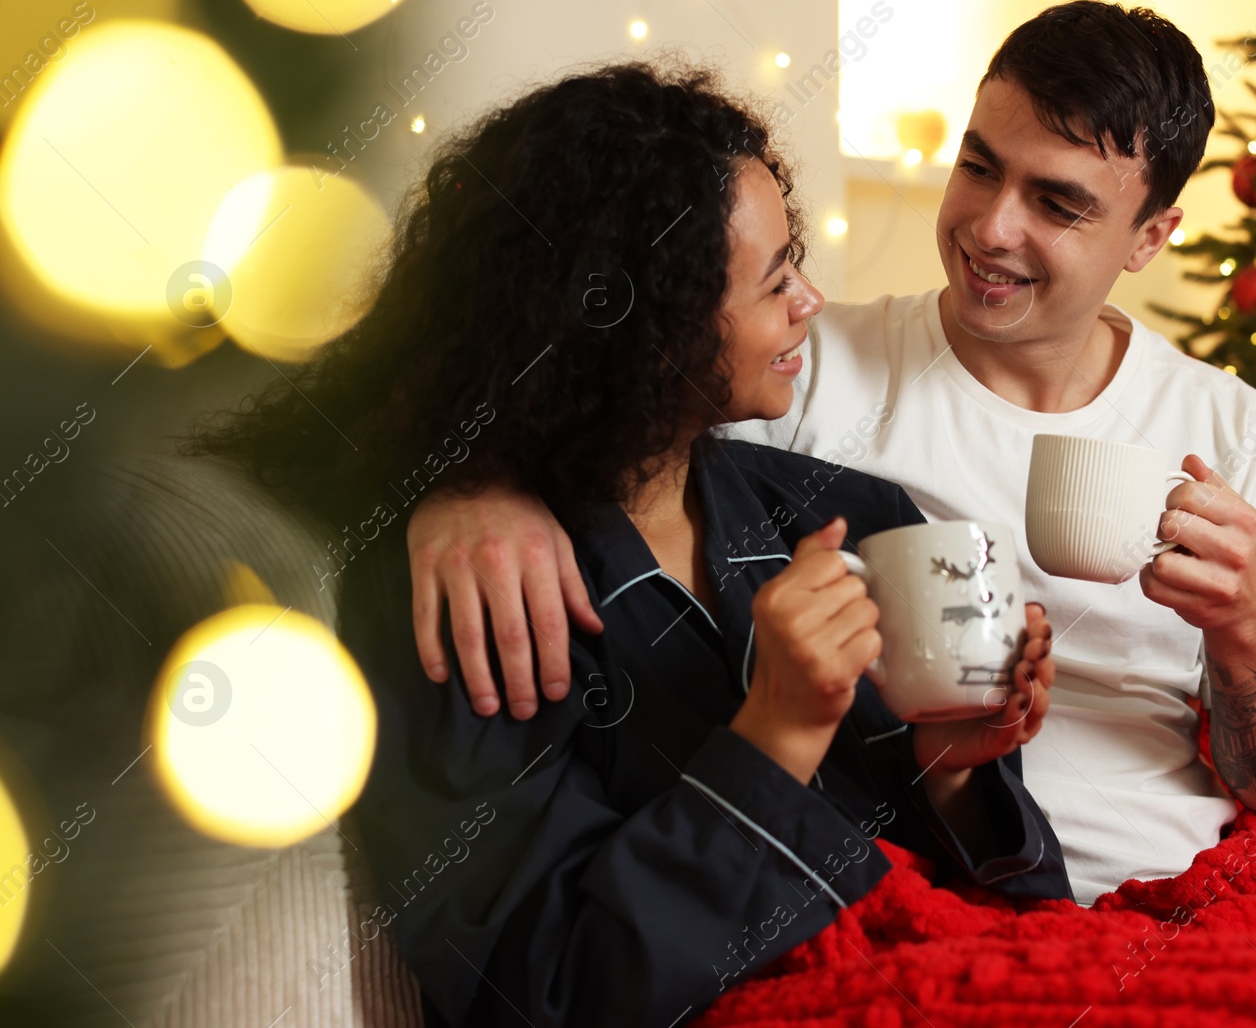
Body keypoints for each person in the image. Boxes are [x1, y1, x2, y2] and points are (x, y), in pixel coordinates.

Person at [402, 2, 1256, 907]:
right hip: (933, 870)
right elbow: (598, 412)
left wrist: (1249, 622)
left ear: (1150, 237)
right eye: (980, 168)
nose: (991, 226)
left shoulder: (1217, 419)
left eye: (1056, 203)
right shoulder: (798, 369)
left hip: (1184, 885)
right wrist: (479, 481)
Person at [186, 62, 1069, 1026]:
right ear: (644, 328)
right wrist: (772, 737)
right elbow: (543, 989)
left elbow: (1020, 918)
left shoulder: (855, 519)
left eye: (797, 262)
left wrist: (956, 771)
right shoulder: (478, 597)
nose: (810, 301)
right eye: (775, 279)